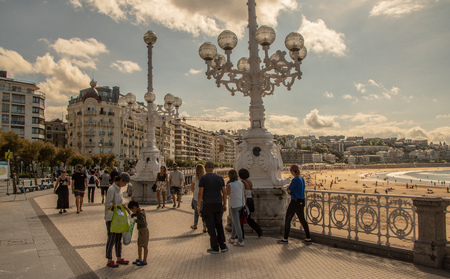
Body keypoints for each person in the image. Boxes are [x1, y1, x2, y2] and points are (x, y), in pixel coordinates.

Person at [197, 161, 228, 254]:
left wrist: (199, 206)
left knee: (211, 226)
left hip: (208, 204)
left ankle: (214, 247)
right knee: (219, 224)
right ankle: (223, 246)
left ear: (206, 168)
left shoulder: (203, 178)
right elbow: (224, 192)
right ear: (213, 168)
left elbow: (200, 193)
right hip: (218, 204)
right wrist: (224, 204)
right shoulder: (220, 178)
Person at [278, 164, 311, 245]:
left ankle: (285, 239)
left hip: (295, 202)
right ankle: (308, 238)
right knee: (302, 220)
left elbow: (289, 190)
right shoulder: (301, 178)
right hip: (301, 201)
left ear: (293, 172)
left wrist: (288, 191)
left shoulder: (295, 179)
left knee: (288, 219)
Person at [104, 173, 131, 268]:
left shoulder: (119, 189)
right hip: (111, 217)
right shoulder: (111, 189)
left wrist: (124, 206)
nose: (125, 185)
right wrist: (118, 207)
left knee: (118, 239)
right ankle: (109, 259)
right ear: (121, 180)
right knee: (111, 238)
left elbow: (120, 202)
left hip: (118, 217)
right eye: (125, 183)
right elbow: (108, 204)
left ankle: (119, 257)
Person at [239, 168, 262, 238]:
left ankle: (241, 235)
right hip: (250, 200)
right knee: (248, 218)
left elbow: (243, 193)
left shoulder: (242, 183)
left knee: (241, 218)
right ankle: (258, 230)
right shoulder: (249, 182)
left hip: (245, 200)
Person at [226, 169, 245, 247]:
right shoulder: (241, 183)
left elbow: (227, 193)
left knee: (237, 223)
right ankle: (232, 237)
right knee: (234, 222)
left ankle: (240, 240)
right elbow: (243, 193)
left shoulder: (230, 185)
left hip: (234, 205)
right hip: (240, 204)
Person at [128, 200, 149, 266]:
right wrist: (133, 215)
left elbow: (142, 221)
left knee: (144, 245)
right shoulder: (140, 211)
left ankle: (144, 260)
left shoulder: (140, 213)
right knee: (139, 244)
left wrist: (135, 220)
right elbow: (137, 214)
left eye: (132, 210)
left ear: (134, 207)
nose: (132, 211)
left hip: (143, 230)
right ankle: (140, 258)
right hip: (141, 230)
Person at [190, 164, 207, 232]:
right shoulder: (205, 178)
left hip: (196, 197)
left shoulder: (194, 178)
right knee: (204, 212)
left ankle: (195, 225)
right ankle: (205, 227)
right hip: (204, 197)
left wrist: (195, 192)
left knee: (196, 211)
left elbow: (191, 188)